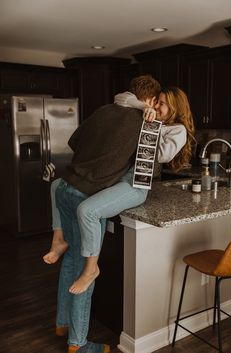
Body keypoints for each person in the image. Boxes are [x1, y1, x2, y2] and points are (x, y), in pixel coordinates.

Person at [43, 75, 162, 353]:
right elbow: (149, 173)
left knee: (71, 260)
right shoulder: (145, 123)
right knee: (87, 270)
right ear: (152, 100)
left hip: (66, 189)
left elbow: (75, 141)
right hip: (86, 197)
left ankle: (63, 323)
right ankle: (79, 344)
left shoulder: (104, 110)